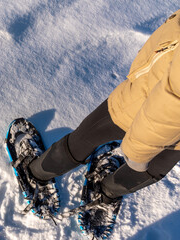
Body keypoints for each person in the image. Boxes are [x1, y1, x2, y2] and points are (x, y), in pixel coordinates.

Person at [28, 9, 180, 202]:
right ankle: (105, 195)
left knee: (87, 137)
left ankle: (37, 172)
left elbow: (172, 102)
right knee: (152, 168)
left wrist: (138, 151)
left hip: (143, 100)